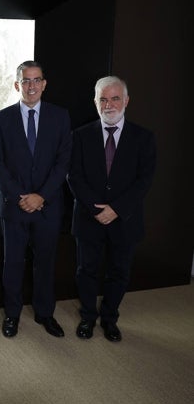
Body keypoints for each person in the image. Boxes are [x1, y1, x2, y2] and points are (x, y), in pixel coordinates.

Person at [68, 76, 156, 342]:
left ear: (126, 100)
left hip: (125, 219)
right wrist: (97, 210)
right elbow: (74, 176)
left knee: (119, 272)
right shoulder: (80, 136)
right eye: (103, 99)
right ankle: (87, 318)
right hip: (88, 217)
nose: (109, 104)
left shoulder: (143, 138)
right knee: (87, 271)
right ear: (95, 102)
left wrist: (116, 209)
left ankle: (109, 319)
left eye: (115, 98)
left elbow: (145, 180)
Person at [0, 60, 72, 339]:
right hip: (15, 206)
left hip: (48, 206)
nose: (32, 85)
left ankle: (45, 313)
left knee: (45, 263)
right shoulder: (0, 119)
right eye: (26, 81)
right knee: (12, 263)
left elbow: (63, 163)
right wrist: (20, 197)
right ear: (17, 85)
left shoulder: (60, 117)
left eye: (37, 80)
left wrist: (41, 196)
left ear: (44, 84)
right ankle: (11, 315)